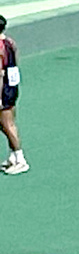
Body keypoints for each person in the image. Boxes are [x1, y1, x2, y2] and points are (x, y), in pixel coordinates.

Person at [0, 15, 28, 176]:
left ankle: (20, 160)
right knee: (5, 123)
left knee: (8, 124)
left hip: (3, 90)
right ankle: (12, 157)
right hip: (12, 87)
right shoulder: (10, 42)